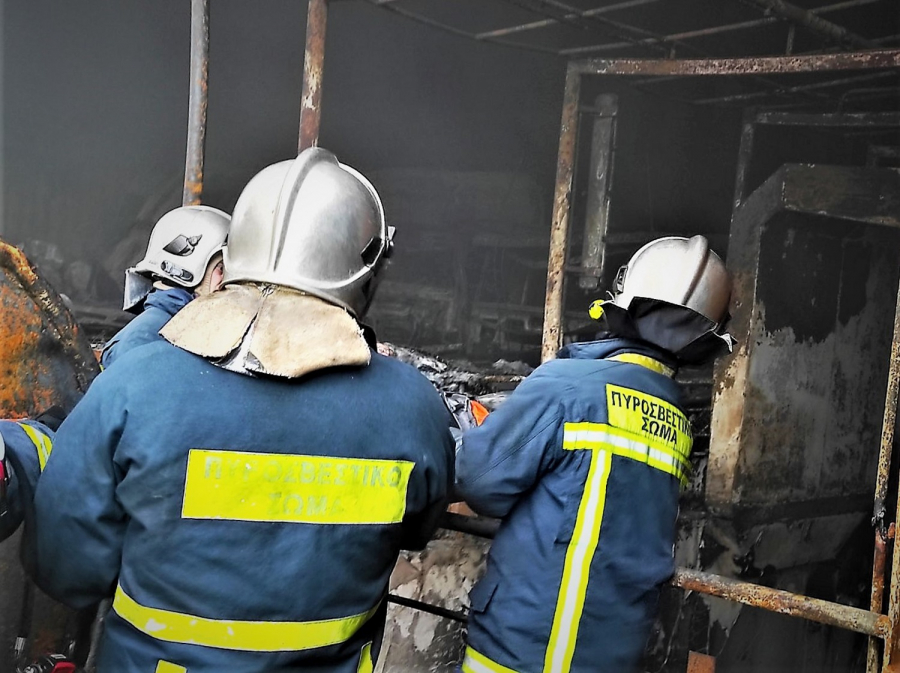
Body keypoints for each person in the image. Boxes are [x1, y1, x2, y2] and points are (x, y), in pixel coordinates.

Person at [29, 148, 455, 673]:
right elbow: (416, 529)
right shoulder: (414, 409)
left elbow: (66, 570)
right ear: (366, 271)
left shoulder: (134, 384)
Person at [456, 235, 733, 673]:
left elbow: (480, 482)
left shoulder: (569, 388)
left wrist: (466, 437)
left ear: (624, 300)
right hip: (610, 654)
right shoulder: (677, 422)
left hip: (527, 651)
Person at [101, 205, 230, 369]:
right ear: (189, 270)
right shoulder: (140, 341)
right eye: (221, 268)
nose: (228, 280)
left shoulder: (190, 329)